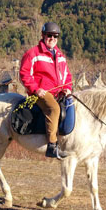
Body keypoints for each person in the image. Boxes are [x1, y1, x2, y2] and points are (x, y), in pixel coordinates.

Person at [19, 22, 73, 159]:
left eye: (56, 36)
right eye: (49, 35)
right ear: (43, 35)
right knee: (54, 109)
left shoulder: (60, 56)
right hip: (40, 94)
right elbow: (24, 74)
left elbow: (67, 75)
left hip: (58, 92)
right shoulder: (33, 53)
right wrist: (36, 89)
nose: (52, 38)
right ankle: (52, 146)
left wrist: (67, 88)